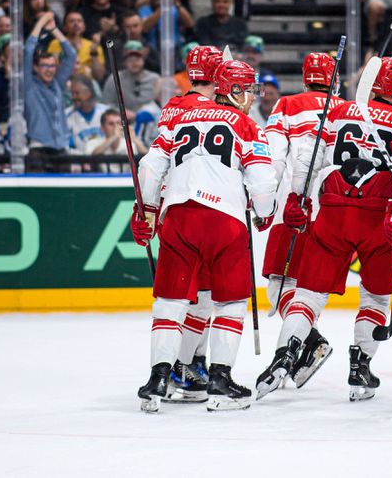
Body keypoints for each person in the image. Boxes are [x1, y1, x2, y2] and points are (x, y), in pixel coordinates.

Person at [256, 57, 392, 403]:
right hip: (377, 216)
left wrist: (297, 198)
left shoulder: (338, 114)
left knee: (308, 294)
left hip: (333, 211)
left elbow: (310, 160)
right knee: (375, 297)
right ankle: (360, 368)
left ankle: (283, 356)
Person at [131, 59, 277, 413]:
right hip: (224, 222)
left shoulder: (180, 119)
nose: (252, 97)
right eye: (249, 89)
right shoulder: (248, 125)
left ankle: (158, 379)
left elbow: (150, 167)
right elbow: (264, 181)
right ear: (236, 91)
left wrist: (147, 210)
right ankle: (221, 380)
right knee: (229, 303)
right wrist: (265, 211)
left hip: (178, 217)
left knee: (170, 301)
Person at [259, 52, 344, 392]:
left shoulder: (288, 105)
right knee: (307, 288)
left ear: (306, 77)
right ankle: (309, 344)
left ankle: (310, 345)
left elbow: (273, 158)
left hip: (290, 206)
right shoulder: (347, 108)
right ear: (334, 79)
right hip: (334, 209)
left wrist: (264, 202)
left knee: (280, 284)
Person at [146, 44, 223, 403]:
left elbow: (154, 164)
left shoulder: (173, 107)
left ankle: (188, 363)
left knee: (178, 295)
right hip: (208, 209)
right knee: (205, 297)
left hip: (171, 209)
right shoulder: (222, 113)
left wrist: (146, 207)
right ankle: (184, 364)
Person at [25, 12, 77, 172]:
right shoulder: (29, 85)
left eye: (52, 66)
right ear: (35, 68)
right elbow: (27, 51)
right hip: (38, 149)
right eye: (44, 66)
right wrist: (40, 24)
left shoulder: (58, 84)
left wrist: (54, 29)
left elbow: (71, 55)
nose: (49, 70)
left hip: (61, 148)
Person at [100, 40, 160, 117]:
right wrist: (121, 112)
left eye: (137, 59)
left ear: (143, 60)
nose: (134, 63)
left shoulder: (155, 79)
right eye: (130, 59)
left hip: (148, 123)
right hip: (122, 122)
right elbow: (105, 105)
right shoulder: (115, 78)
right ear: (124, 61)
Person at [81, 109, 147, 172]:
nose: (116, 127)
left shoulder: (131, 142)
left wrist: (134, 139)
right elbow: (91, 157)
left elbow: (147, 157)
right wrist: (113, 137)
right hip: (102, 181)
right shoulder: (93, 142)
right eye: (111, 124)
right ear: (102, 128)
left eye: (118, 123)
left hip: (127, 180)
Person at [47, 11, 106, 81]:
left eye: (79, 21)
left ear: (84, 26)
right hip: (63, 81)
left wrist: (93, 53)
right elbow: (49, 70)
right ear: (64, 27)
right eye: (71, 21)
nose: (76, 24)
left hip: (86, 85)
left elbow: (100, 76)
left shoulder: (93, 45)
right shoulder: (55, 43)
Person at [67, 75, 110, 154]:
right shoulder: (66, 116)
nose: (73, 97)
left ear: (88, 92)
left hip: (106, 162)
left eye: (76, 93)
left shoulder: (107, 112)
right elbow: (66, 147)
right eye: (72, 93)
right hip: (80, 163)